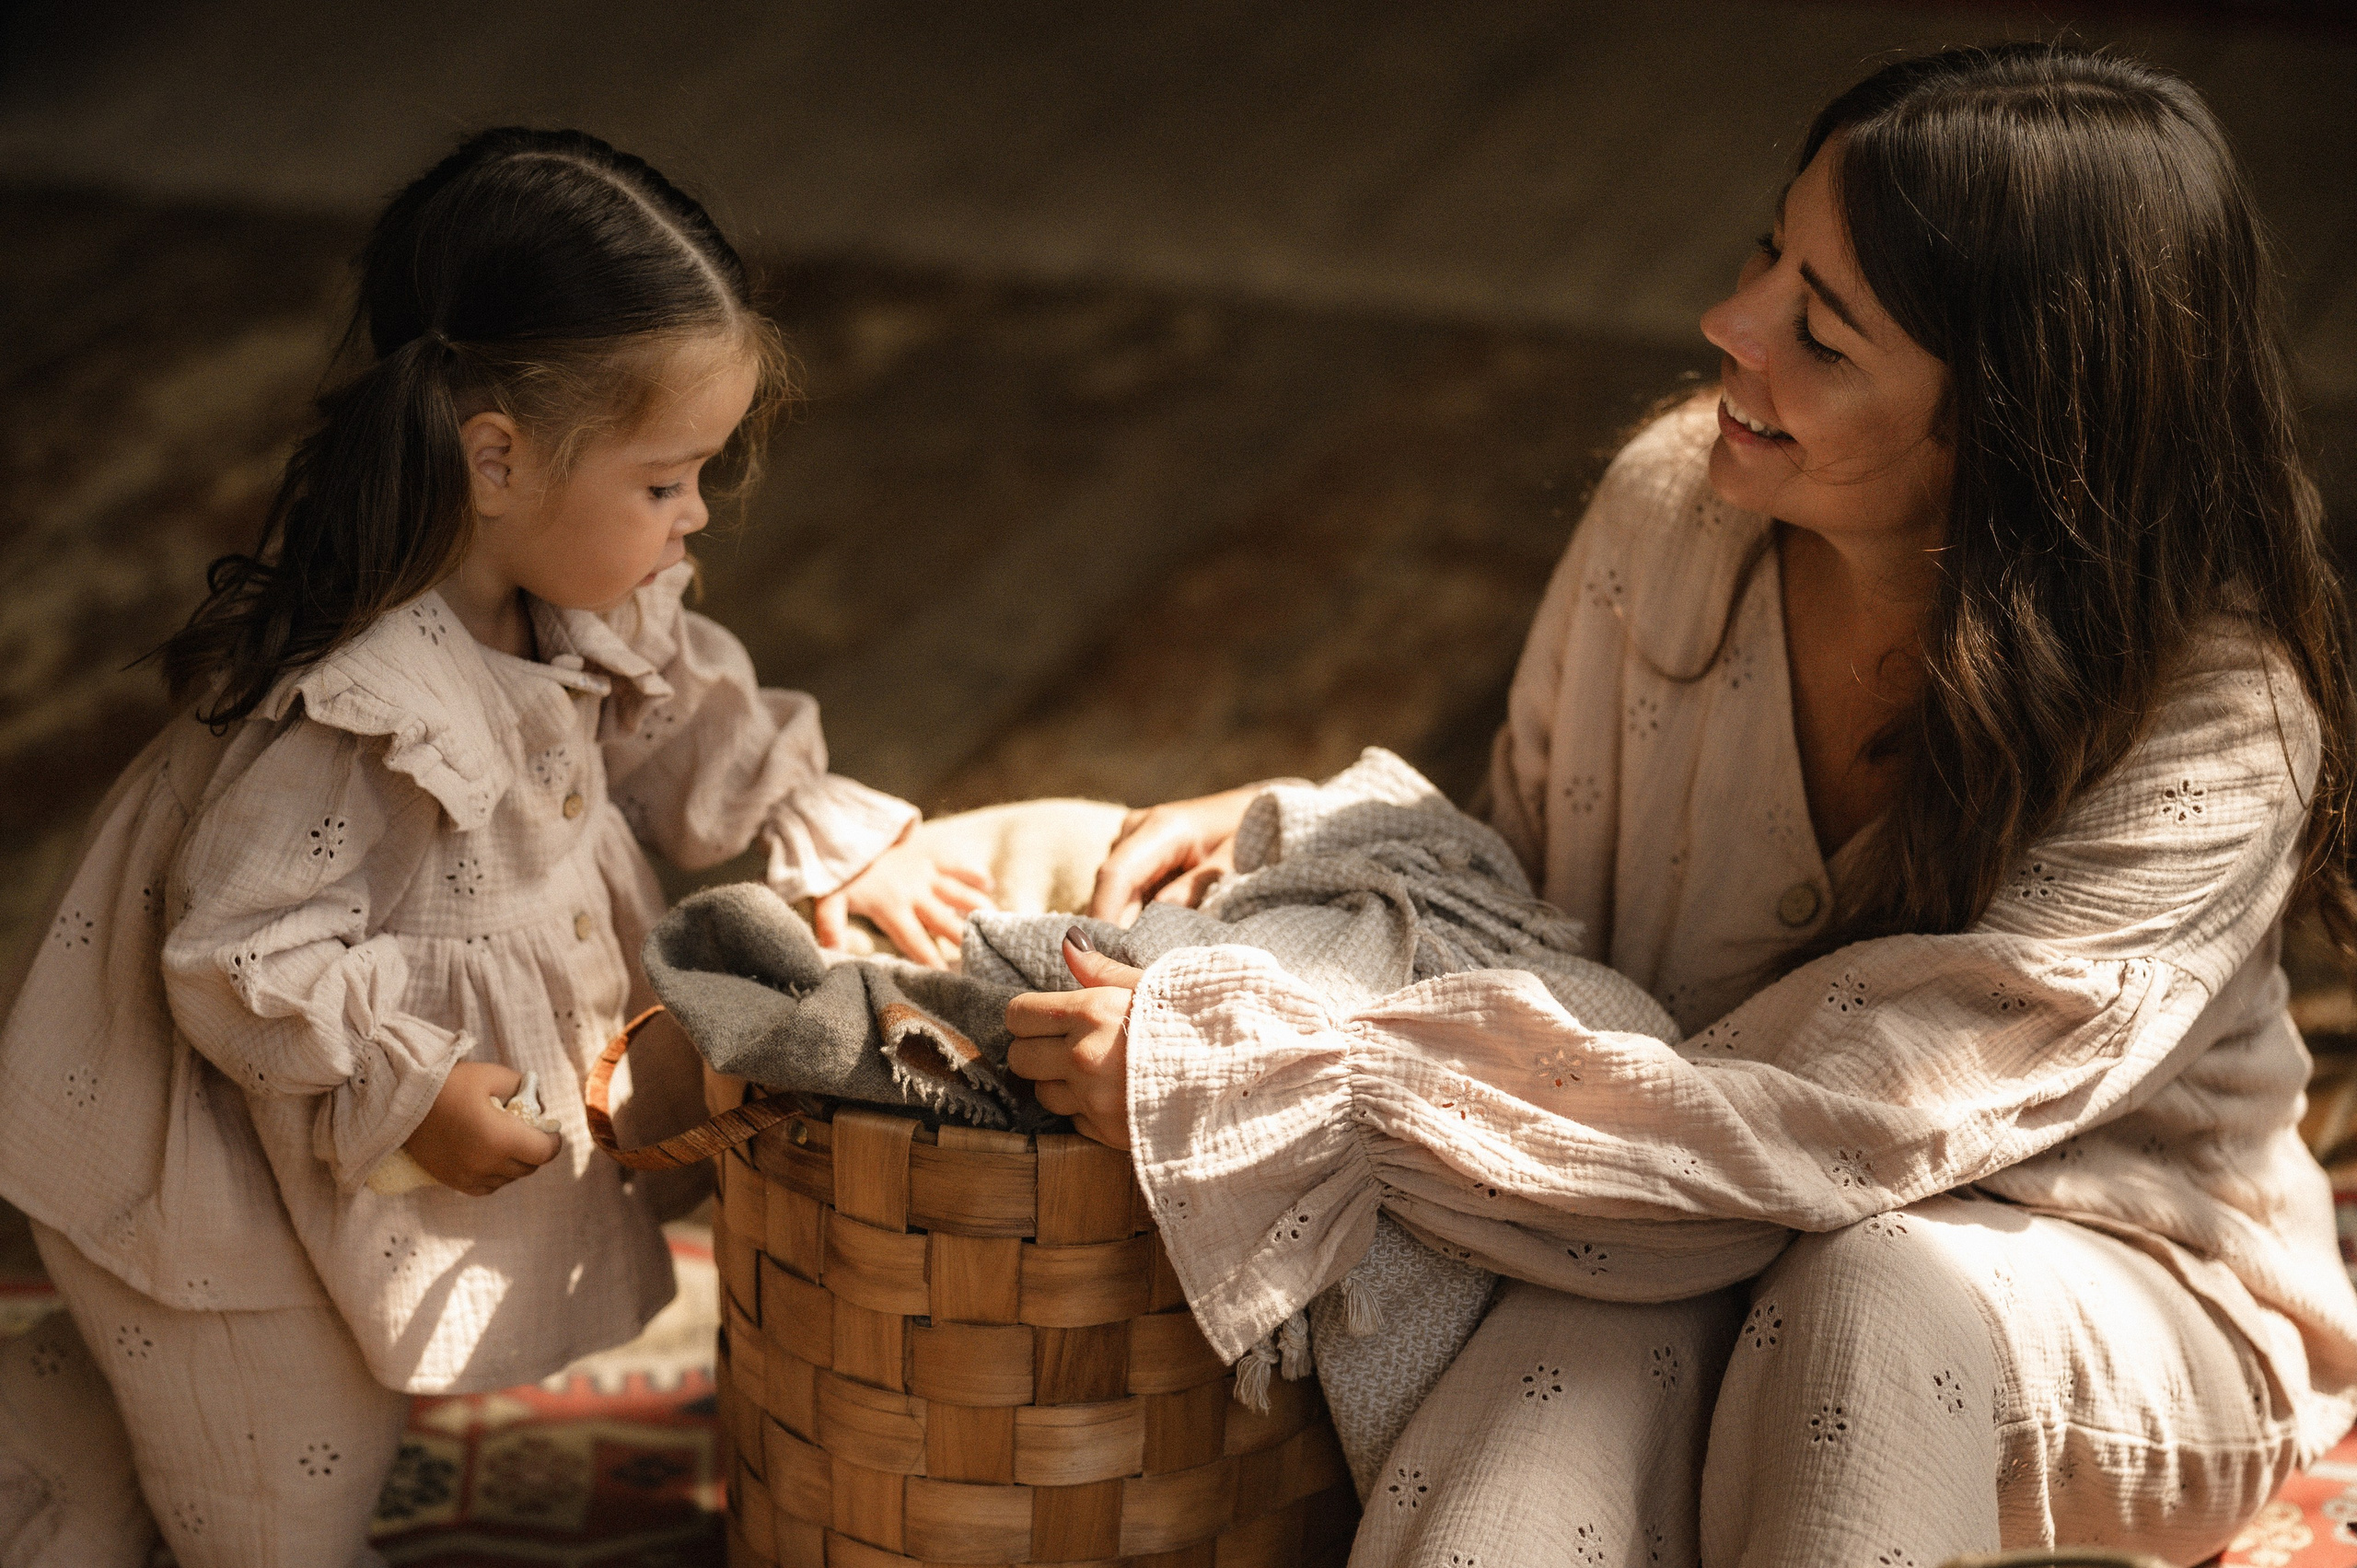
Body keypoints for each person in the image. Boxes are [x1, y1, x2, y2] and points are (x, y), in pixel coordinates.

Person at [1006, 43, 2357, 1565]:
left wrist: (1292, 1088)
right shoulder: (1674, 505)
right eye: (1765, 254)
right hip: (1666, 1229)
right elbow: (1535, 906)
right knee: (1520, 1466)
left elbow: (1843, 1135)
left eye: (1822, 332)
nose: (1728, 326)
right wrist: (1323, 835)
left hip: (2114, 1279)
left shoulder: (2218, 723)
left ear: (2015, 427)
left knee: (1867, 1286)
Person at [0, 129, 993, 1565]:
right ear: (497, 460)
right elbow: (234, 954)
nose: (696, 515)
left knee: (217, 1428)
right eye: (666, 481)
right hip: (211, 1165)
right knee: (291, 1491)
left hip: (290, 1161)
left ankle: (62, 1444)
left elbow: (687, 716)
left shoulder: (570, 597)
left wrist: (818, 831)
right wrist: (404, 1085)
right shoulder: (365, 716)